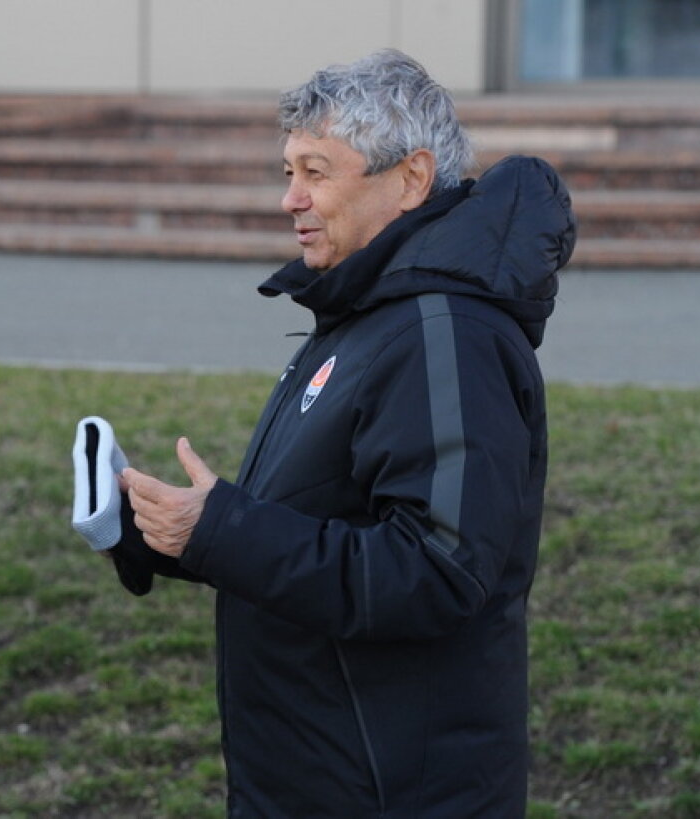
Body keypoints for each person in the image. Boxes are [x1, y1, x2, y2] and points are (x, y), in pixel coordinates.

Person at [109, 50, 576, 817]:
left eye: (316, 172)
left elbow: (436, 569)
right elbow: (322, 518)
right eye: (287, 171)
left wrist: (224, 527)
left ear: (412, 178)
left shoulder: (445, 332)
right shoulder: (368, 310)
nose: (290, 198)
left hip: (393, 790)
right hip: (321, 773)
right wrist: (168, 532)